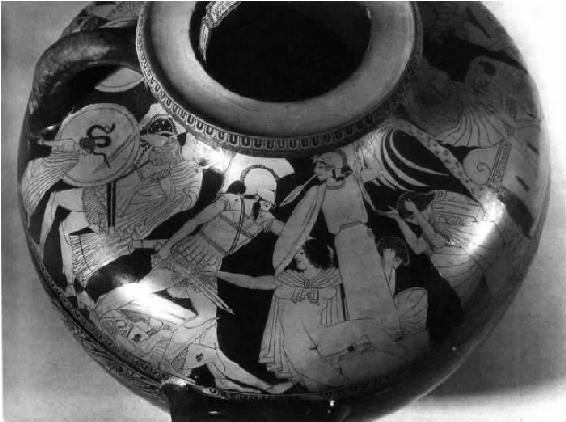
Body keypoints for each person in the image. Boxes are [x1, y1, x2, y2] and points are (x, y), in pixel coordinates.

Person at [220, 238, 412, 391]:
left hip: (324, 337)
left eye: (301, 253)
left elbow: (374, 288)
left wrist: (387, 265)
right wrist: (218, 273)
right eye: (297, 252)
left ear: (314, 254)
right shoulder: (288, 279)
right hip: (299, 350)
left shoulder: (332, 276)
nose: (296, 256)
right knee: (337, 385)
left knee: (367, 325)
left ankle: (405, 357)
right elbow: (251, 282)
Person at [273, 151, 402, 337]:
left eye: (320, 167)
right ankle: (364, 336)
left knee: (375, 281)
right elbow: (298, 220)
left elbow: (376, 170)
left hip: (362, 236)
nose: (316, 171)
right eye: (316, 167)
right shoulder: (318, 191)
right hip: (342, 241)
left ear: (332, 168)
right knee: (353, 287)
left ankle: (390, 328)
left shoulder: (354, 178)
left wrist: (361, 153)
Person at [384, 190, 503, 304]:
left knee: (439, 257)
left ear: (418, 206)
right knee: (437, 256)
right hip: (474, 256)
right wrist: (399, 219)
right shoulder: (432, 218)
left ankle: (477, 286)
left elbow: (436, 241)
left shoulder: (439, 208)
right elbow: (417, 247)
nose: (415, 223)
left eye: (412, 218)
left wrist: (416, 212)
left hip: (486, 247)